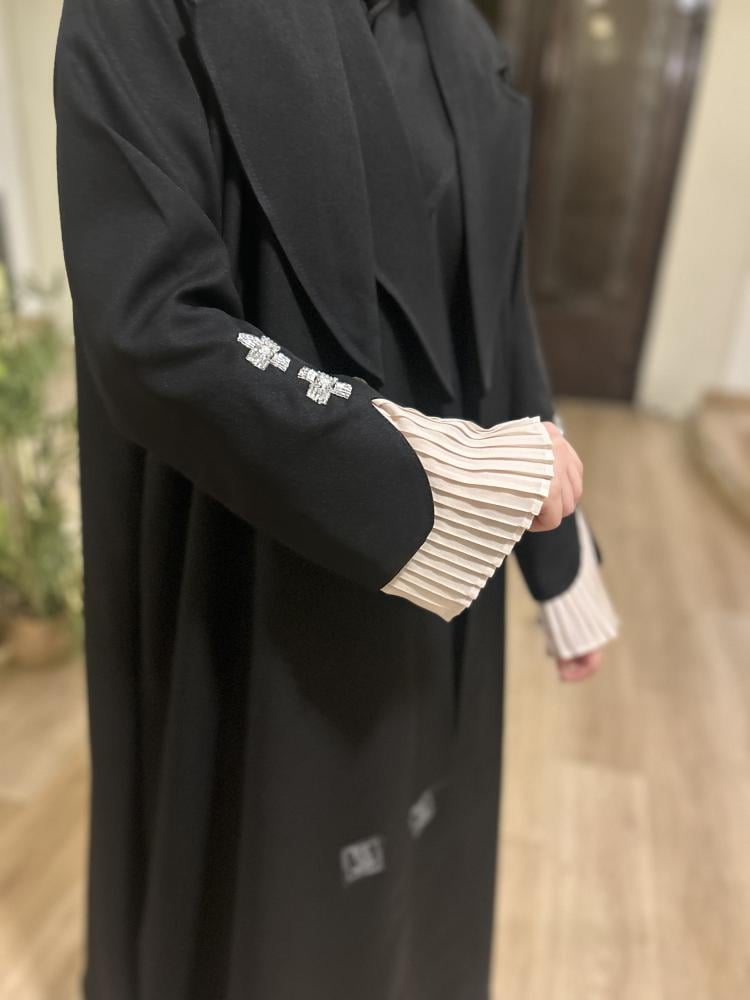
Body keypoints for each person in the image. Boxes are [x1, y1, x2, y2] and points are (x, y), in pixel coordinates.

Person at [54, 0, 619, 997]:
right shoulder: (150, 12)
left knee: (420, 878)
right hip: (255, 561)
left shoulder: (457, 35)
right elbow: (151, 323)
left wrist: (560, 554)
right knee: (278, 905)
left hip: (456, 574)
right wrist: (426, 480)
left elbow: (493, 289)